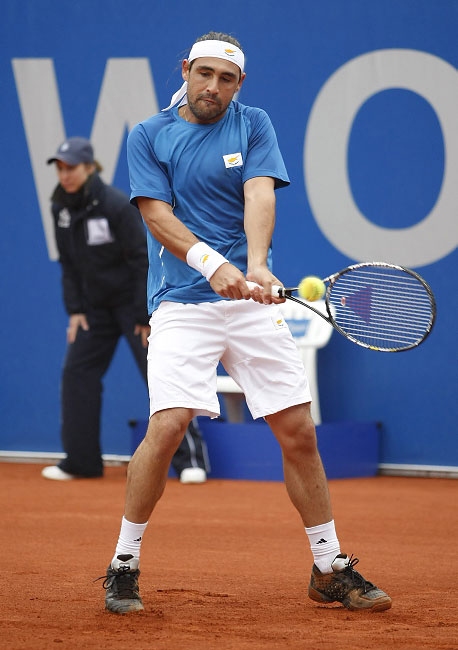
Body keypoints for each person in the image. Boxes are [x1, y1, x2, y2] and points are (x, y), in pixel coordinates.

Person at [100, 32, 392, 614]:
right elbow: (155, 215)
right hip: (181, 304)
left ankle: (328, 566)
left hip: (249, 304)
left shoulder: (253, 124)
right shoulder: (150, 135)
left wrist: (256, 265)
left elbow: (259, 194)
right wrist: (213, 265)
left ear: (239, 84)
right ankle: (123, 563)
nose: (213, 87)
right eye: (204, 73)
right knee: (169, 425)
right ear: (186, 69)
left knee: (298, 431)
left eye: (226, 78)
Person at [42, 137, 209, 484]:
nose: (65, 174)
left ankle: (190, 462)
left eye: (71, 167)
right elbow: (69, 264)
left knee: (161, 377)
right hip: (94, 309)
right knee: (77, 374)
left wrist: (143, 315)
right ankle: (81, 461)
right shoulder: (60, 209)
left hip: (131, 307)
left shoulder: (116, 205)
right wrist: (75, 310)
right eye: (60, 168)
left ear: (90, 168)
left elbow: (141, 260)